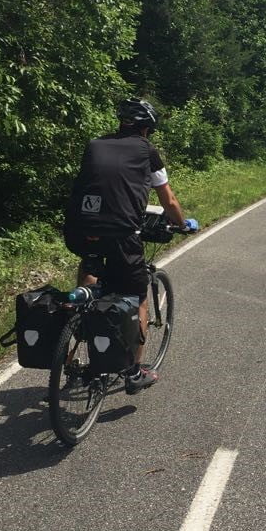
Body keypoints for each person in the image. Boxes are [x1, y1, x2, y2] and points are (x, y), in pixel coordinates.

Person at [63, 98, 199, 394]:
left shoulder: (95, 144)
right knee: (138, 297)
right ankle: (135, 372)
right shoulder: (147, 151)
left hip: (78, 229)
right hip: (120, 235)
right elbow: (169, 201)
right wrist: (181, 222)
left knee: (90, 272)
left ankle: (71, 343)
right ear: (147, 128)